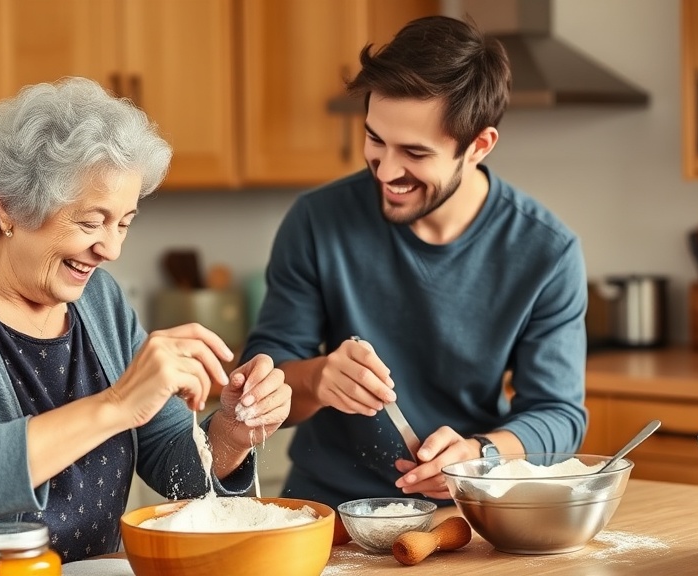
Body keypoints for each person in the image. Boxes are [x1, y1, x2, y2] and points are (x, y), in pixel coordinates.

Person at [0, 77, 291, 564]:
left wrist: (231, 434)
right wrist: (118, 403)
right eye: (91, 223)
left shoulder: (99, 301)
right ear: (9, 205)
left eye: (124, 223)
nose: (110, 249)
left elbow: (174, 461)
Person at [240, 15, 587, 508]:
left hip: (467, 517)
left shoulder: (546, 251)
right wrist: (317, 378)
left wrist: (479, 456)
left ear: (478, 147)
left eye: (414, 152)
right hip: (326, 512)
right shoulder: (317, 221)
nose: (387, 170)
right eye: (376, 139)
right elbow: (262, 377)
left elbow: (558, 415)